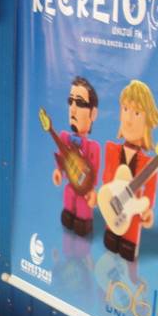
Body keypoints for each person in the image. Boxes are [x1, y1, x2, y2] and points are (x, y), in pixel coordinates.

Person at [101, 80, 158, 262]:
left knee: (127, 253)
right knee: (109, 245)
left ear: (147, 121)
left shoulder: (149, 163)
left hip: (132, 218)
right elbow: (106, 177)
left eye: (136, 113)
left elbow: (149, 191)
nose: (128, 119)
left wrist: (147, 210)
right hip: (112, 211)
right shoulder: (112, 150)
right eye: (125, 109)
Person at [51, 76, 100, 236]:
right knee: (68, 197)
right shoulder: (64, 138)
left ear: (93, 113)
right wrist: (59, 171)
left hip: (83, 190)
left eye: (79, 103)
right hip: (71, 185)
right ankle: (69, 216)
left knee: (82, 210)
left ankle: (82, 222)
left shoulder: (93, 147)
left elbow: (94, 170)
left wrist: (91, 190)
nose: (72, 109)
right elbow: (61, 156)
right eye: (70, 102)